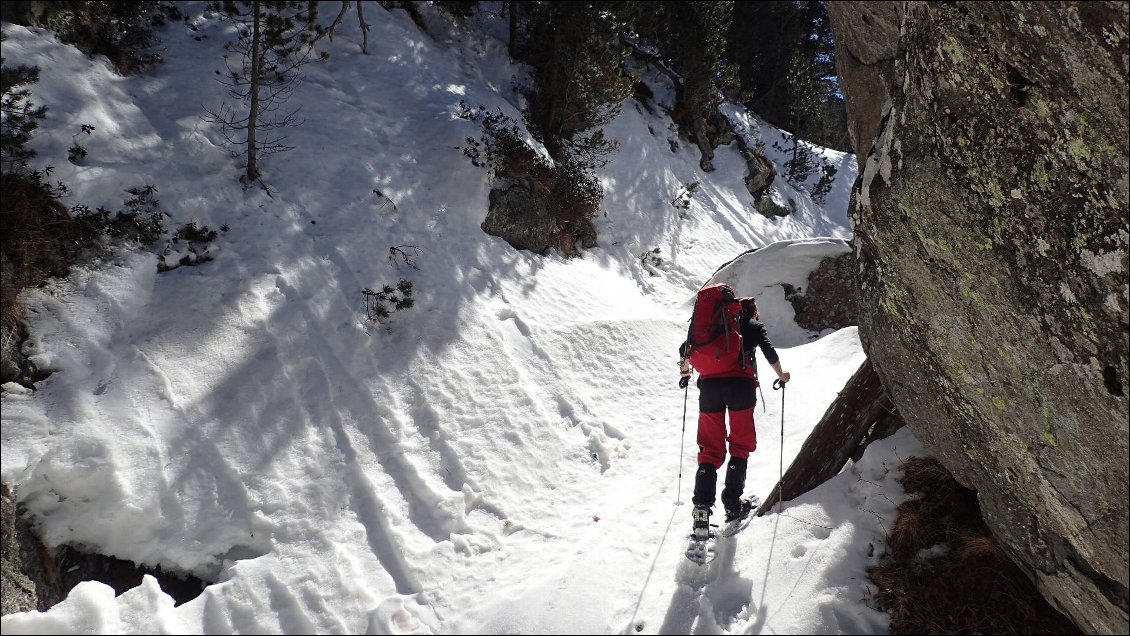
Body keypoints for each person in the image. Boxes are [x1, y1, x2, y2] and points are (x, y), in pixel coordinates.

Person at [679, 296, 790, 535]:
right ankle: (732, 504)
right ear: (751, 311)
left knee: (709, 449)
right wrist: (782, 375)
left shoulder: (711, 326)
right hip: (741, 387)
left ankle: (701, 509)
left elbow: (685, 350)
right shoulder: (752, 326)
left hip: (709, 389)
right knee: (740, 445)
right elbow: (769, 352)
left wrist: (686, 372)